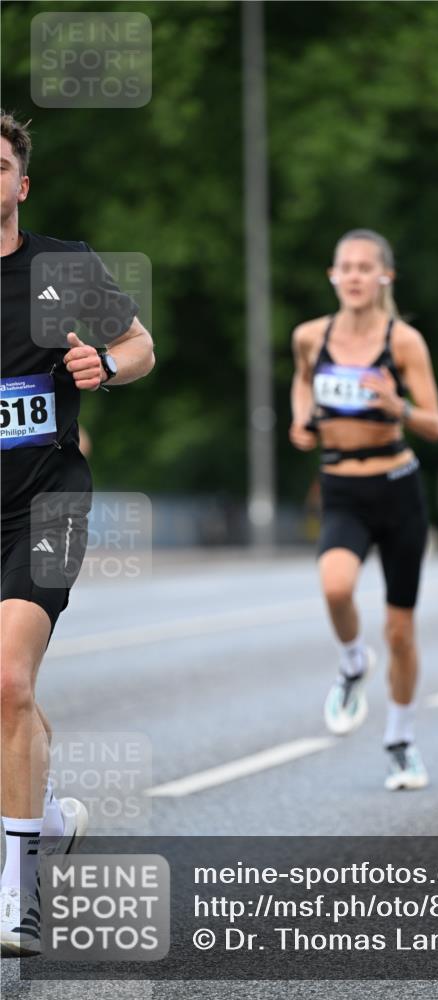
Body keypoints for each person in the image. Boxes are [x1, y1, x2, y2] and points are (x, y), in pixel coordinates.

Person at [0, 110, 155, 956]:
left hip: (49, 500)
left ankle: (20, 897)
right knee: (4, 695)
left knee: (9, 683)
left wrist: (107, 367)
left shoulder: (62, 266)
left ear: (20, 184)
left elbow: (140, 347)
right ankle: (50, 820)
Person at [289, 229, 438, 790]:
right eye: (345, 267)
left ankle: (400, 741)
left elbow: (435, 423)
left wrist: (395, 404)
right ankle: (353, 661)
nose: (354, 276)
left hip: (398, 487)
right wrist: (300, 419)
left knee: (401, 632)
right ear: (333, 276)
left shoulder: (404, 342)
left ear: (385, 277)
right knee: (335, 588)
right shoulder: (311, 336)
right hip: (341, 487)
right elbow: (302, 383)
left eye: (364, 267)